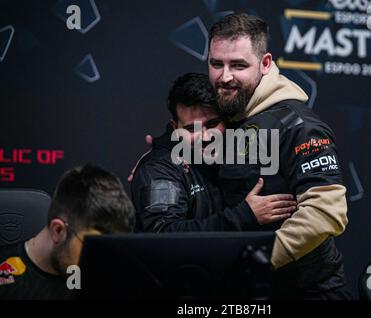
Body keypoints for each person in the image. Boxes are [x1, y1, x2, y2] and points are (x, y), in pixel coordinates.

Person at [207, 13, 349, 299]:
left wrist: (256, 260)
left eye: (238, 65)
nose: (225, 76)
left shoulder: (299, 125)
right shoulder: (229, 114)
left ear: (265, 63)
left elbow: (326, 213)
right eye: (216, 64)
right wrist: (161, 158)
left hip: (308, 292)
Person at [131, 72, 297, 232]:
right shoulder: (159, 168)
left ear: (226, 119)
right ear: (175, 128)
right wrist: (243, 215)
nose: (205, 136)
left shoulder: (240, 146)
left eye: (212, 124)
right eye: (191, 128)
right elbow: (165, 235)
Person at [0, 164, 136, 300]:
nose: (102, 262)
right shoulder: (6, 280)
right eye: (93, 247)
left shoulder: (92, 278)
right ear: (58, 230)